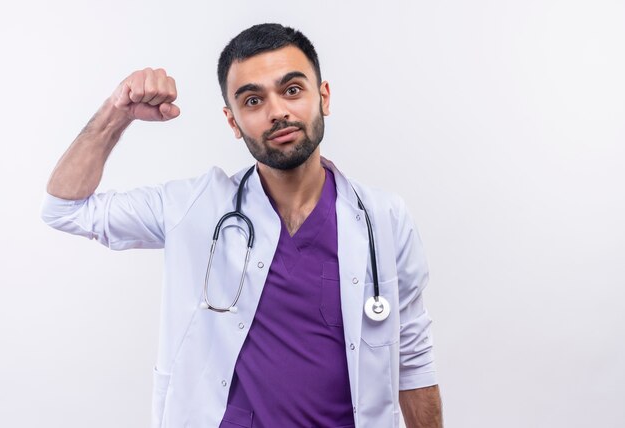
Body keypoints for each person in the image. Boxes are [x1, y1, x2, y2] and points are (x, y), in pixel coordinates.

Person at [41, 23, 442, 428]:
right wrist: (117, 113)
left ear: (323, 97)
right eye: (253, 100)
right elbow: (65, 208)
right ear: (233, 122)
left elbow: (412, 357)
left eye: (292, 90)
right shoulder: (195, 208)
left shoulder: (383, 219)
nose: (277, 112)